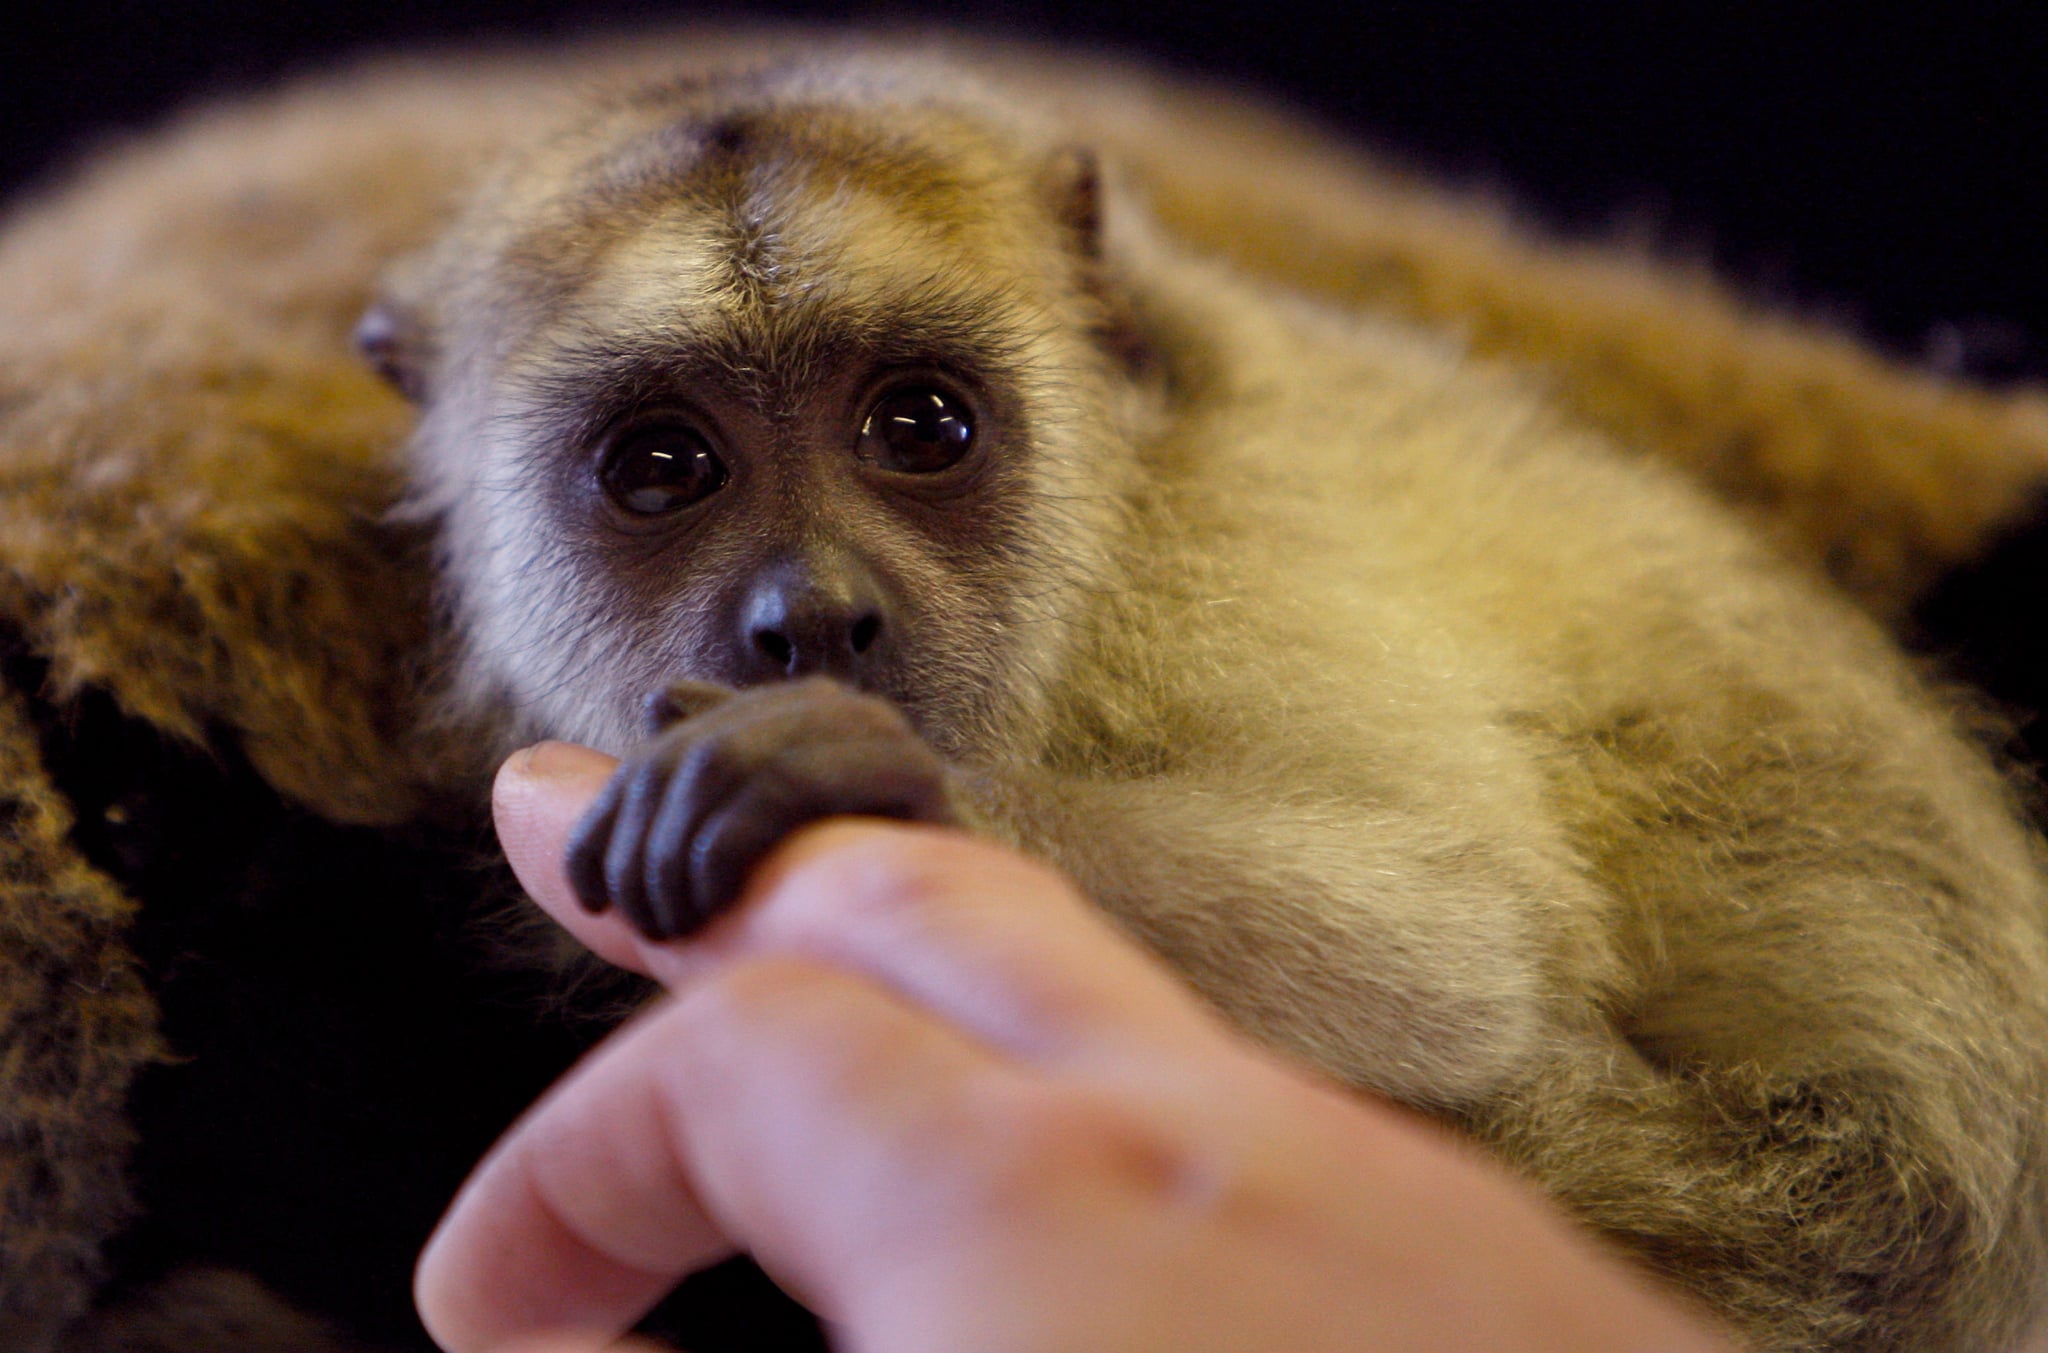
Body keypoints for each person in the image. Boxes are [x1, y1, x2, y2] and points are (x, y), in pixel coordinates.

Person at [413, 740, 1738, 1353]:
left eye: (925, 430)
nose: (810, 596)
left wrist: (966, 813)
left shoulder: (1197, 556)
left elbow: (1455, 976)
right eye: (659, 470)